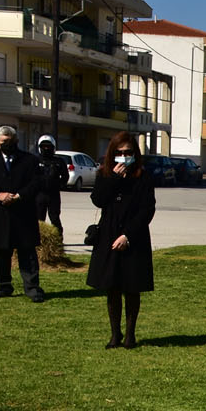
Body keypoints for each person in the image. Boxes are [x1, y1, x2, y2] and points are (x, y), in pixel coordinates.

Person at [87, 132, 156, 348]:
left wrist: (128, 235)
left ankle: (130, 335)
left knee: (132, 287)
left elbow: (147, 210)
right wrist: (115, 179)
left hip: (134, 236)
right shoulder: (105, 174)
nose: (124, 157)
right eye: (120, 153)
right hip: (108, 235)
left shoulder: (143, 177)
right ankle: (115, 334)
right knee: (112, 287)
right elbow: (98, 200)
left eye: (128, 153)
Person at [0, 126, 45, 301]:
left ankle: (32, 288)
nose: (8, 144)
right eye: (4, 142)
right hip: (1, 214)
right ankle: (3, 287)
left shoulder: (29, 160)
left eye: (11, 141)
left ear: (17, 140)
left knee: (27, 252)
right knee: (1, 252)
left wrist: (19, 195)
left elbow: (37, 182)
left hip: (24, 213)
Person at [34, 135, 69, 235]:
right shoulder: (35, 160)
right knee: (39, 219)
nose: (46, 149)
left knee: (55, 218)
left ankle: (58, 239)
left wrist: (58, 185)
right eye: (43, 146)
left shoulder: (59, 161)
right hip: (39, 194)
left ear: (53, 147)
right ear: (39, 147)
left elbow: (65, 177)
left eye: (48, 146)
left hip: (53, 195)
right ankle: (37, 239)